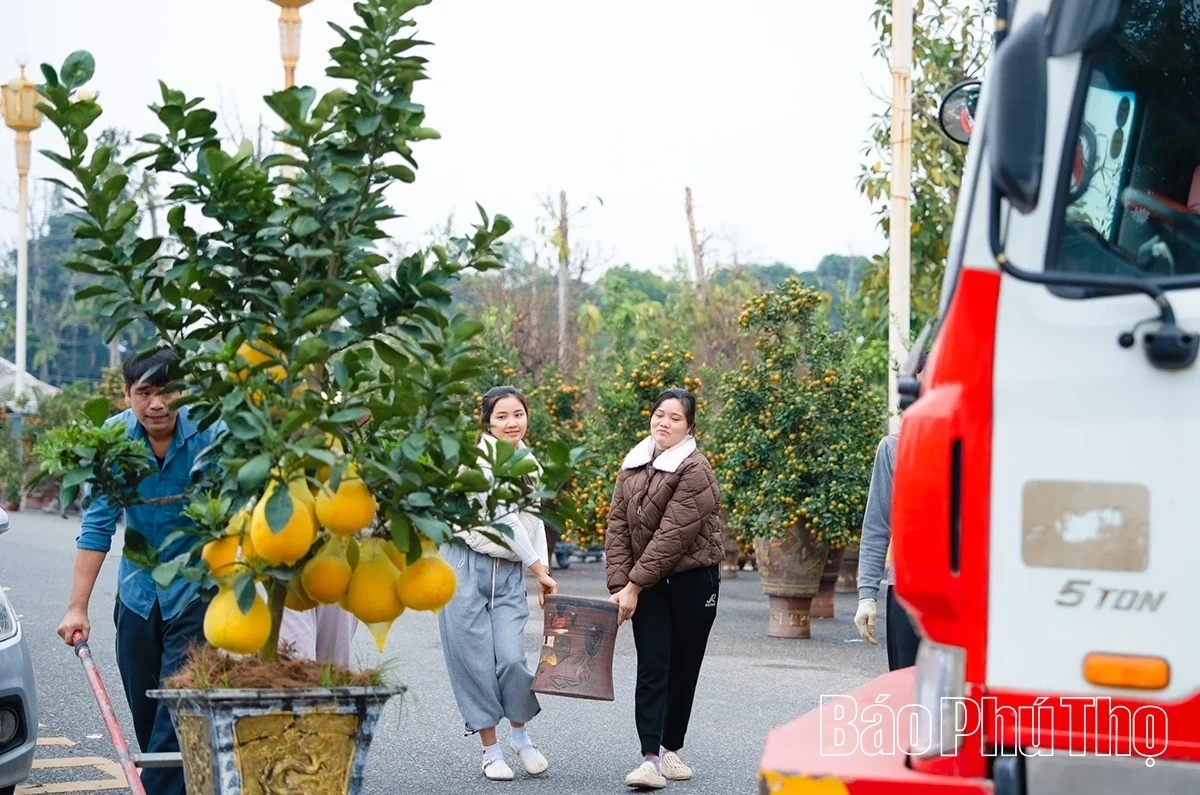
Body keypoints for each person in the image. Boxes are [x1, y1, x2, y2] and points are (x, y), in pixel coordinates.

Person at [55, 347, 226, 795]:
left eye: (168, 392)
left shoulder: (213, 433)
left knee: (177, 711)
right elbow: (96, 527)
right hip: (136, 594)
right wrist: (77, 607)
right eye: (145, 392)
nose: (157, 404)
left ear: (183, 393)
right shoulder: (113, 440)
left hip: (196, 591)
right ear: (128, 395)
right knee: (147, 713)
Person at [437, 385, 559, 782]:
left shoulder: (529, 462)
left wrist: (544, 571)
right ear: (487, 421)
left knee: (510, 657)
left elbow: (534, 521)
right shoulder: (481, 462)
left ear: (527, 417)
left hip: (506, 571)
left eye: (518, 414)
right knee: (474, 660)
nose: (511, 422)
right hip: (465, 565)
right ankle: (490, 750)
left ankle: (521, 737)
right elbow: (504, 520)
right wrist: (538, 569)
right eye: (501, 416)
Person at [605, 387, 724, 791]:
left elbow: (674, 534)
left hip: (694, 581)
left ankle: (672, 748)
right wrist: (621, 585)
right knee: (653, 666)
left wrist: (634, 584)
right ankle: (650, 758)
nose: (664, 423)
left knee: (684, 667)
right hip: (648, 583)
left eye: (675, 417)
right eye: (659, 414)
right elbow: (617, 527)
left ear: (690, 426)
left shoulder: (696, 469)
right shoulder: (633, 464)